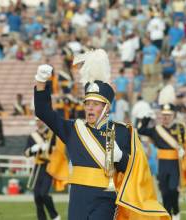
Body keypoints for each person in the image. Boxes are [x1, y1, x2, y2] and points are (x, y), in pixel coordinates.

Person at [34, 49, 170, 220]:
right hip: (78, 196)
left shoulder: (122, 131)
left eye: (95, 104)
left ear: (106, 108)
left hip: (106, 197)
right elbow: (43, 111)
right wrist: (40, 82)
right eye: (87, 103)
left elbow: (133, 167)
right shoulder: (73, 128)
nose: (89, 107)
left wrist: (120, 157)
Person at [138, 102, 186, 220]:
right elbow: (141, 131)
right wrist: (147, 118)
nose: (166, 117)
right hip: (161, 163)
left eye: (168, 115)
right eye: (164, 115)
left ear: (174, 115)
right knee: (164, 192)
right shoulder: (157, 129)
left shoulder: (179, 128)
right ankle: (168, 215)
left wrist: (184, 152)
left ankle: (176, 210)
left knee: (173, 189)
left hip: (175, 163)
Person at [24, 118, 68, 220]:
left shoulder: (52, 134)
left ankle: (55, 216)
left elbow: (58, 150)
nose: (39, 123)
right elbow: (26, 152)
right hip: (37, 167)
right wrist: (32, 149)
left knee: (43, 193)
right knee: (37, 197)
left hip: (49, 166)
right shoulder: (32, 136)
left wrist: (48, 148)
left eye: (40, 120)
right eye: (37, 121)